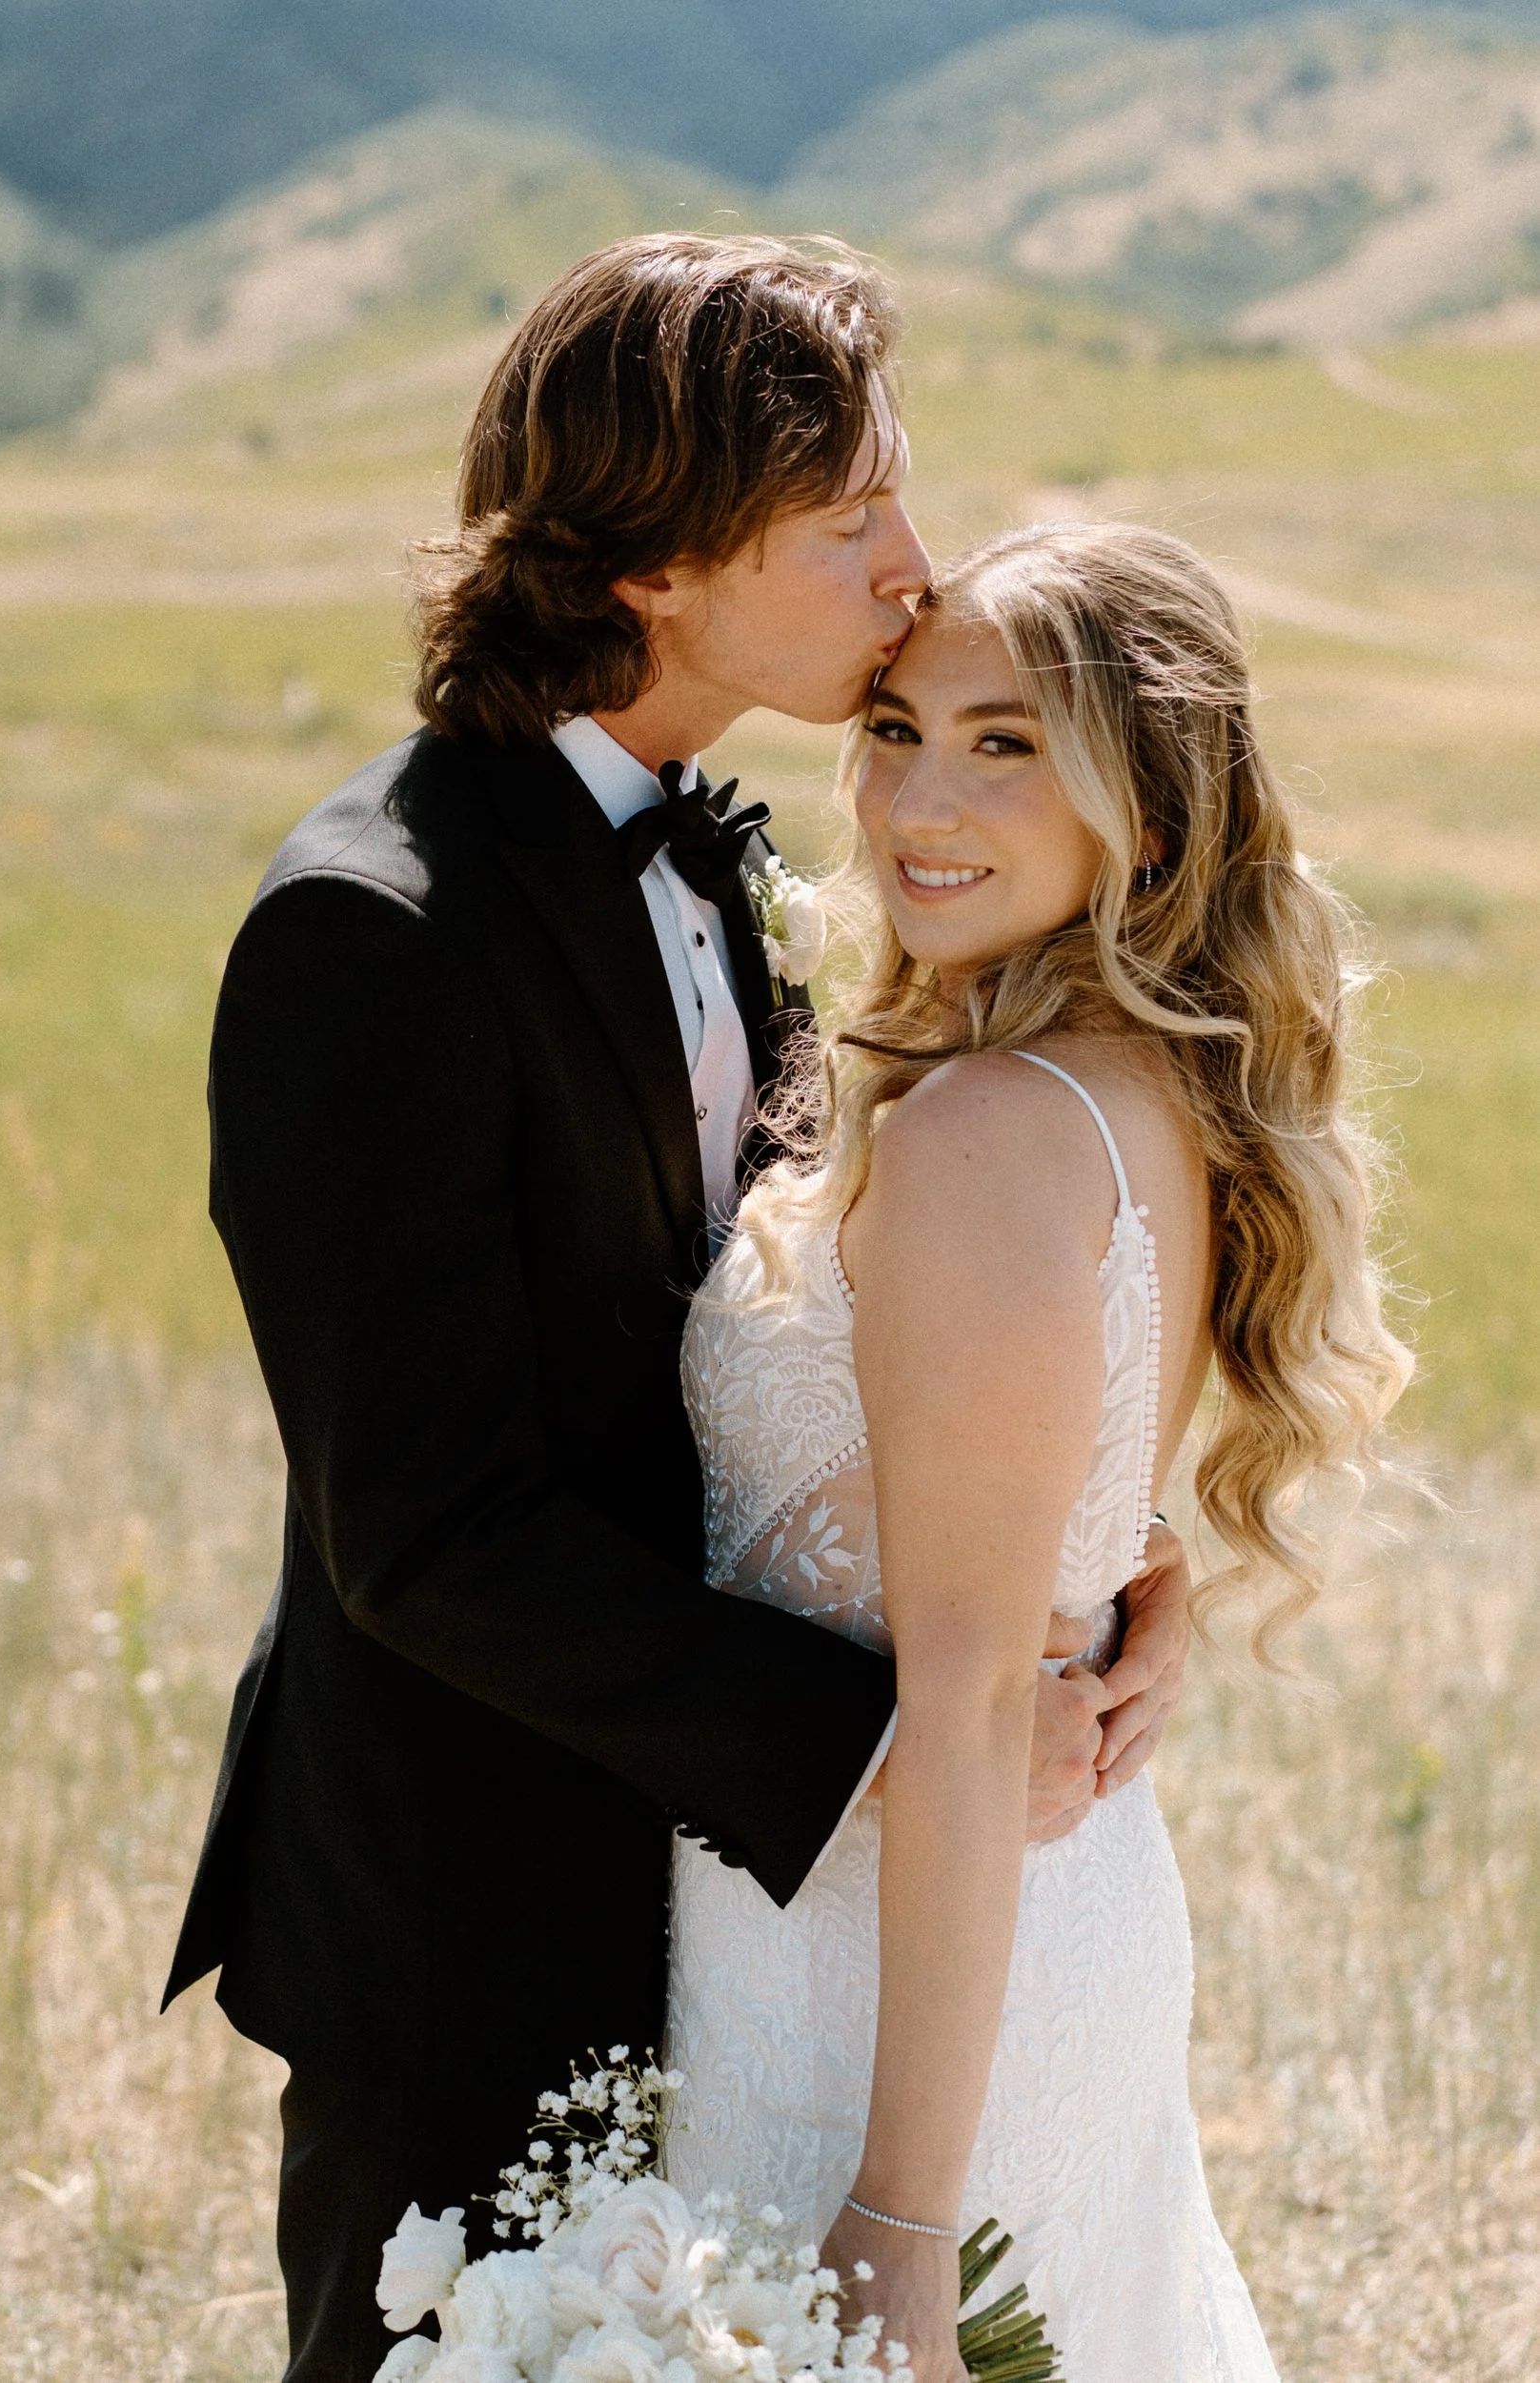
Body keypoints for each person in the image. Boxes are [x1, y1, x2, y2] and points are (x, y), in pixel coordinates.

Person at [159, 238, 1193, 2381]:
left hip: (728, 1926)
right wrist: (906, 1748)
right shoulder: (370, 934)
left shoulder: (707, 854)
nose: (909, 570)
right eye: (846, 522)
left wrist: (1085, 1590)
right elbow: (427, 1531)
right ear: (651, 561)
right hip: (469, 1919)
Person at [667, 521, 1413, 2383]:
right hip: (1012, 1906)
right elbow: (1037, 1480)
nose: (919, 796)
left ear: (1144, 811)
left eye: (1004, 743)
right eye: (900, 726)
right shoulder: (1133, 1084)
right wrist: (1125, 1563)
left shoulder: (988, 1127)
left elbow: (970, 1686)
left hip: (882, 1997)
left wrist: (901, 2214)